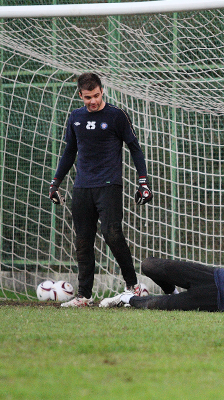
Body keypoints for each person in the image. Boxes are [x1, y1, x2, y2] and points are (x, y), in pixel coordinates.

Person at [49, 72, 153, 308]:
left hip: (109, 185)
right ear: (80, 95)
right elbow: (69, 152)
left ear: (102, 91)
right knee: (83, 241)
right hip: (82, 187)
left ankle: (132, 286)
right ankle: (84, 296)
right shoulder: (75, 118)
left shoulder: (116, 115)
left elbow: (135, 148)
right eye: (88, 97)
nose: (92, 101)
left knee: (111, 232)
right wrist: (55, 183)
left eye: (96, 95)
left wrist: (143, 182)